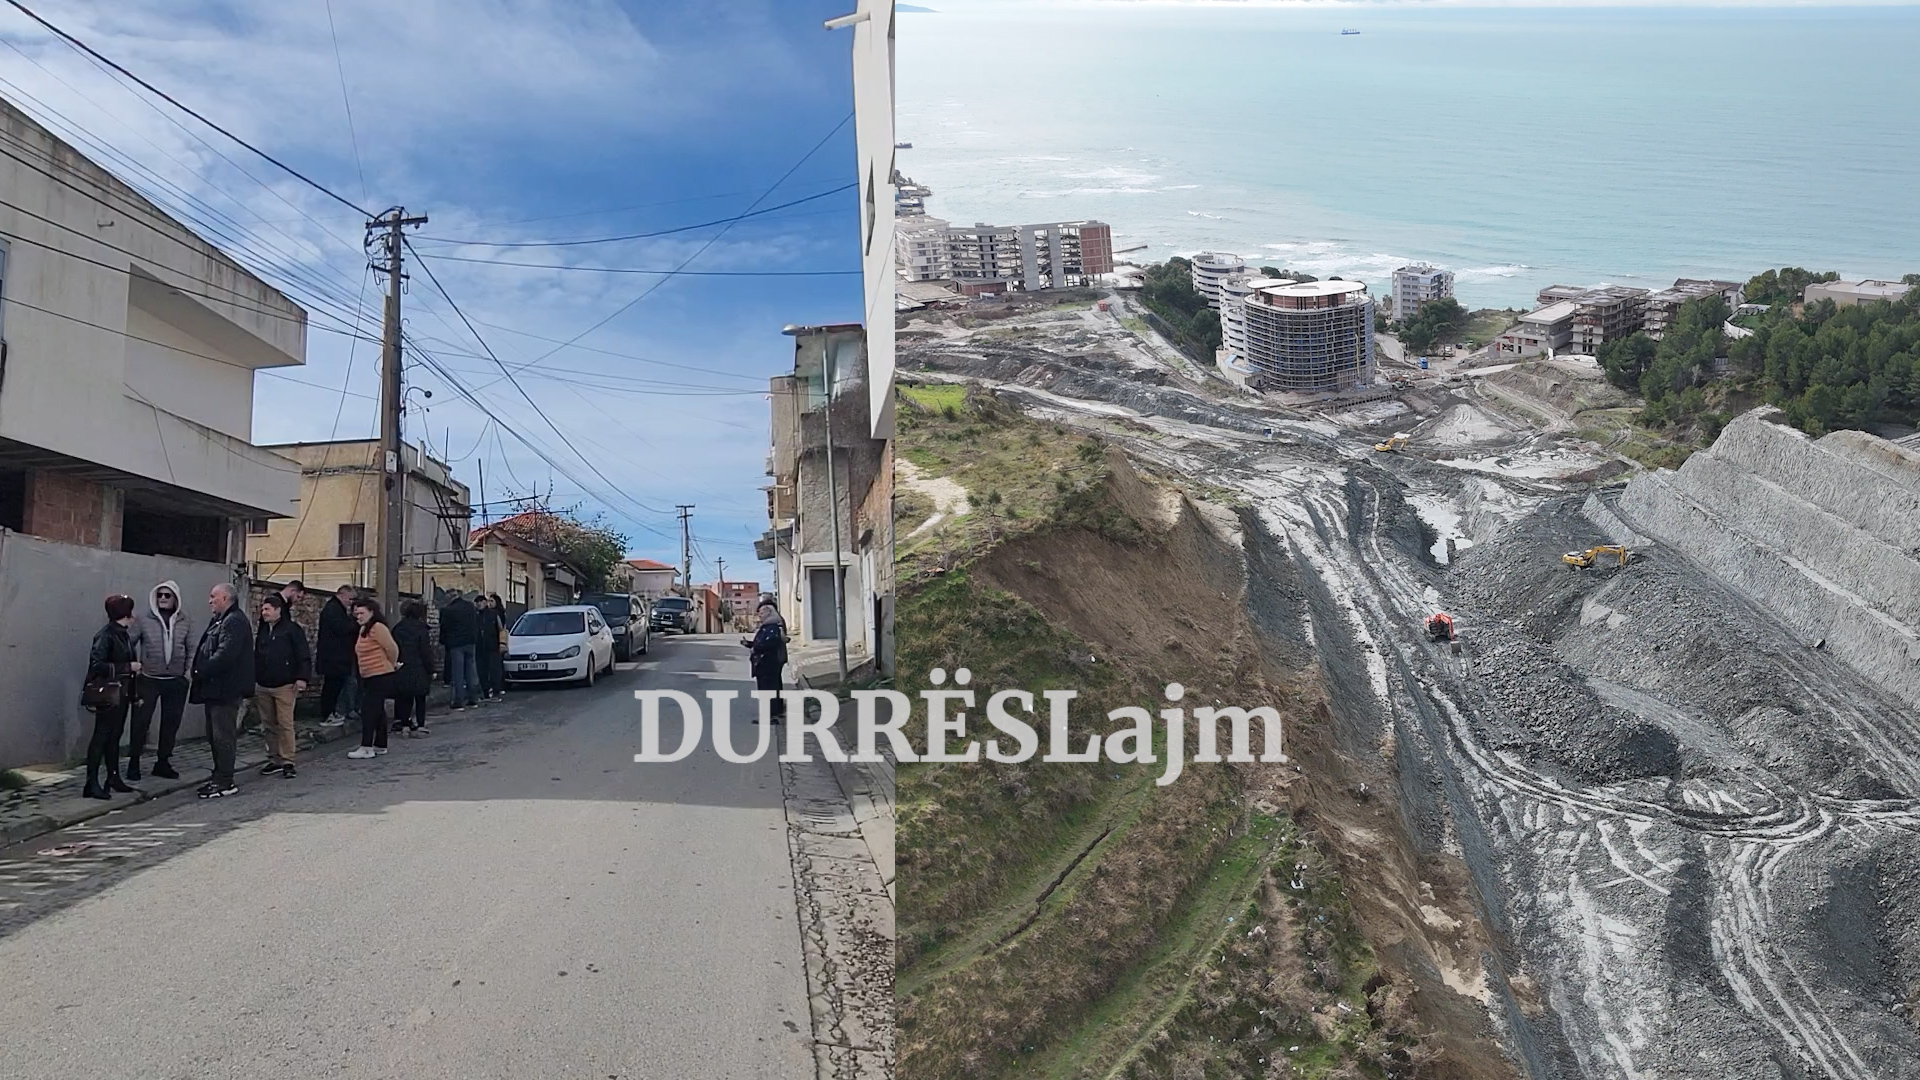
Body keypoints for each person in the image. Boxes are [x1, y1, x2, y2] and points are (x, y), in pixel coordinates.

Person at [189, 582, 253, 799]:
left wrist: (201, 671)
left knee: (223, 736)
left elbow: (226, 654)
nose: (210, 601)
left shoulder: (234, 621)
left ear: (225, 598)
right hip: (214, 689)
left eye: (213, 597)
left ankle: (225, 781)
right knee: (214, 736)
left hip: (225, 689)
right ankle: (218, 776)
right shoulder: (220, 620)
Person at [126, 579, 191, 781]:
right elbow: (129, 642)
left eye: (167, 595)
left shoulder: (185, 620)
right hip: (148, 679)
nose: (162, 599)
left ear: (175, 598)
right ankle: (133, 762)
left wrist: (188, 672)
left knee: (171, 723)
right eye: (159, 595)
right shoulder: (144, 619)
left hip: (175, 680)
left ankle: (163, 762)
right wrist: (134, 665)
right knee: (140, 722)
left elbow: (192, 647)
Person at [82, 594, 141, 800]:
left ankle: (113, 777)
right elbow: (97, 665)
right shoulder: (106, 635)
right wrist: (127, 667)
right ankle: (92, 782)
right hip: (108, 694)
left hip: (121, 694)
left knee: (114, 736)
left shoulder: (122, 634)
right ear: (126, 613)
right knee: (102, 736)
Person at [252, 593, 311, 778]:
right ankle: (274, 758)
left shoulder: (291, 630)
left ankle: (288, 761)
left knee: (285, 724)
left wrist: (302, 678)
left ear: (278, 610)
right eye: (262, 609)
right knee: (269, 725)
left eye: (267, 609)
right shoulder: (263, 630)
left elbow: (303, 654)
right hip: (263, 684)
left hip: (284, 684)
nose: (264, 613)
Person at [346, 597, 398, 759]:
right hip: (368, 675)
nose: (358, 616)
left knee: (368, 710)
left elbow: (392, 648)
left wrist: (391, 663)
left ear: (372, 612)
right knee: (378, 710)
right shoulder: (364, 629)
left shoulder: (378, 628)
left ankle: (366, 746)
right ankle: (380, 744)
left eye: (362, 613)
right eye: (356, 614)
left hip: (380, 674)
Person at [316, 584, 359, 727]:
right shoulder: (333, 610)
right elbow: (343, 629)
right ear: (343, 595)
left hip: (335, 656)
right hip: (334, 657)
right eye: (350, 599)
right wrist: (355, 623)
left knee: (334, 686)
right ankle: (327, 714)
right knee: (332, 687)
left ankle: (330, 712)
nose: (351, 602)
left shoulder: (335, 608)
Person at [390, 600, 433, 736]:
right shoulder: (421, 629)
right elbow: (425, 651)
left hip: (402, 665)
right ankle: (420, 724)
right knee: (420, 698)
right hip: (419, 667)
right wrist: (431, 668)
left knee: (404, 697)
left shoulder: (398, 628)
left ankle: (404, 724)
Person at [745, 601, 789, 724]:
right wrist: (750, 645)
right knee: (771, 687)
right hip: (766, 663)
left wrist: (756, 647)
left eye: (762, 612)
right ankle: (774, 712)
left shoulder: (773, 626)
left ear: (769, 612)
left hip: (768, 663)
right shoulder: (769, 626)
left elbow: (770, 643)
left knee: (767, 689)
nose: (760, 615)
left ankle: (770, 716)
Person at [438, 590, 480, 710]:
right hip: (471, 643)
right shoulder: (470, 606)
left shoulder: (448, 610)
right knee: (471, 672)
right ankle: (473, 699)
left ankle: (458, 701)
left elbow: (444, 628)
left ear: (449, 597)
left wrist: (444, 642)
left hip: (456, 644)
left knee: (458, 674)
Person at [475, 593, 505, 702]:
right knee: (482, 671)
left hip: (493, 646)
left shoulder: (493, 614)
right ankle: (486, 692)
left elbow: (501, 629)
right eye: (477, 602)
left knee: (494, 670)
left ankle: (496, 692)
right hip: (480, 647)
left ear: (485, 602)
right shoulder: (475, 616)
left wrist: (502, 643)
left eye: (481, 602)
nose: (479, 604)